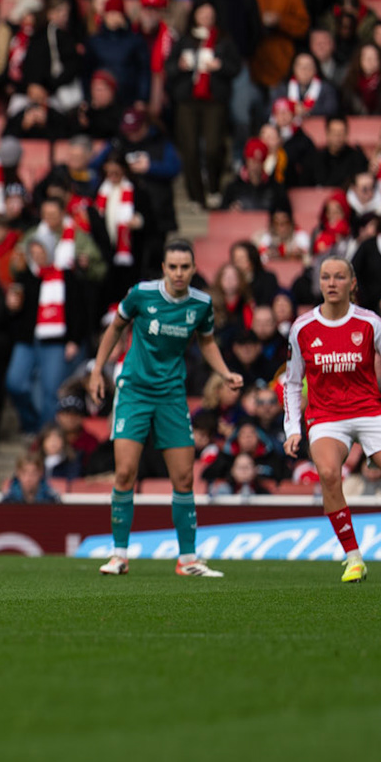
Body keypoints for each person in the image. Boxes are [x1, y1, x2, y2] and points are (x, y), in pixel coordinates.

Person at [85, 239, 242, 578]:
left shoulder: (201, 304)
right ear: (164, 269)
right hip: (134, 391)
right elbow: (116, 327)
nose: (179, 273)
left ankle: (187, 560)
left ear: (194, 268)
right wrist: (98, 371)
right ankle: (119, 555)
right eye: (173, 267)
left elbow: (207, 342)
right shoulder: (141, 294)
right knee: (125, 472)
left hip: (172, 394)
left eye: (185, 267)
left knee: (184, 477)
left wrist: (226, 372)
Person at [281, 257, 381, 585]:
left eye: (339, 277)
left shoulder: (370, 323)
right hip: (326, 416)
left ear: (352, 283)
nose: (332, 283)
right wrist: (293, 428)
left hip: (370, 412)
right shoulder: (302, 328)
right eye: (326, 277)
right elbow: (293, 382)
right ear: (319, 283)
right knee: (327, 473)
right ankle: (354, 559)